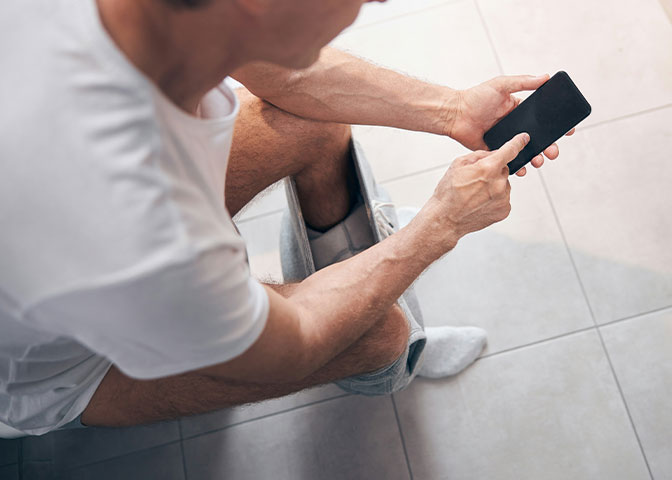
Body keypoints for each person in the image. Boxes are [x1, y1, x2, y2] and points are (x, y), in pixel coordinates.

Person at [0, 0, 572, 435]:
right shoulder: (142, 229)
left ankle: (361, 260)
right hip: (64, 372)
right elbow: (298, 339)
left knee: (313, 123)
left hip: (91, 257)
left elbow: (287, 74)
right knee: (379, 336)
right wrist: (443, 224)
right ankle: (397, 338)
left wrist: (452, 110)